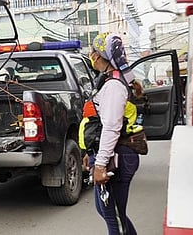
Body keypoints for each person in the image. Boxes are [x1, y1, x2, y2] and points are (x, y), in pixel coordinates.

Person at [86, 33, 142, 235]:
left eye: (93, 51)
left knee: (113, 218)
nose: (91, 55)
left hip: (116, 157)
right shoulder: (109, 81)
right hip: (111, 153)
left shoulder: (113, 86)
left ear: (100, 56)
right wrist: (90, 154)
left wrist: (100, 164)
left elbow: (111, 127)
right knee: (110, 212)